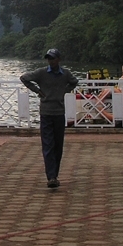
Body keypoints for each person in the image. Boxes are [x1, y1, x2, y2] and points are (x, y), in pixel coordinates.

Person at [20, 48, 79, 187]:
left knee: (58, 146)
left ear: (58, 59)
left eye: (53, 58)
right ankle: (51, 176)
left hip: (59, 113)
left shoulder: (65, 74)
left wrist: (64, 91)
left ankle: (55, 174)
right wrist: (37, 91)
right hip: (46, 113)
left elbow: (74, 82)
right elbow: (24, 78)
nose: (50, 61)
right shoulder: (41, 73)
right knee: (48, 145)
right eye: (49, 58)